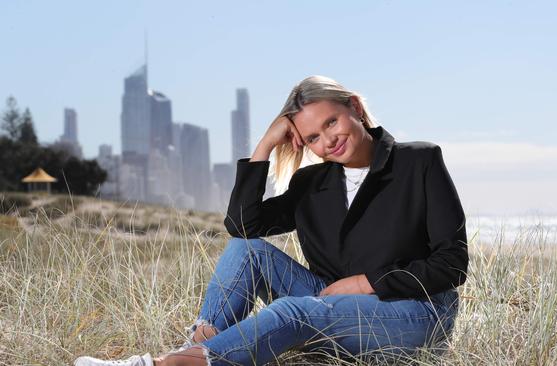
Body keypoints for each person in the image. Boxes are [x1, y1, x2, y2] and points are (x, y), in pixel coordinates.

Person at [74, 76, 468, 366]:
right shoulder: (312, 181)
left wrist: (365, 283)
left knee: (293, 311)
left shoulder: (419, 161)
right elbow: (243, 226)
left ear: (355, 108)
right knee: (248, 250)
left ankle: (169, 365)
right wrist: (264, 146)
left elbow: (451, 264)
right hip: (332, 308)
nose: (327, 141)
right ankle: (202, 342)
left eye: (331, 122)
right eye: (312, 137)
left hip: (414, 314)